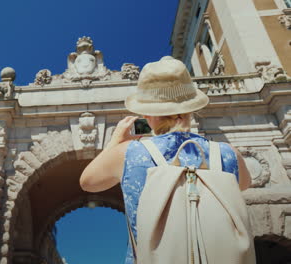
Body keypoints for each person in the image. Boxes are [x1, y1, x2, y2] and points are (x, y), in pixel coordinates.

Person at [79, 56, 252, 263]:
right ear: (190, 109)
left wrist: (116, 141)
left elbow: (88, 182)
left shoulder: (130, 153)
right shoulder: (227, 152)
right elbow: (244, 184)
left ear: (148, 114)